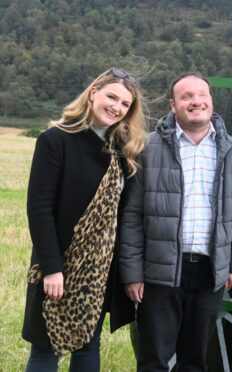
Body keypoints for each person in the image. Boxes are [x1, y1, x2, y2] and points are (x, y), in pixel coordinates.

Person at [119, 72, 232, 371]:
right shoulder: (148, 149)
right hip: (159, 272)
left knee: (195, 361)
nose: (196, 102)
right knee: (153, 359)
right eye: (186, 97)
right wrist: (132, 272)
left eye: (201, 95)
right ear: (173, 105)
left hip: (209, 273)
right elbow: (131, 215)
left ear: (211, 100)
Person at [23, 68, 147, 371]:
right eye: (111, 97)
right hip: (58, 267)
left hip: (99, 272)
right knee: (46, 349)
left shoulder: (122, 153)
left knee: (89, 345)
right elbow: (39, 209)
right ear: (93, 93)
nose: (116, 107)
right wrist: (53, 269)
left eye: (125, 104)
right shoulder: (56, 140)